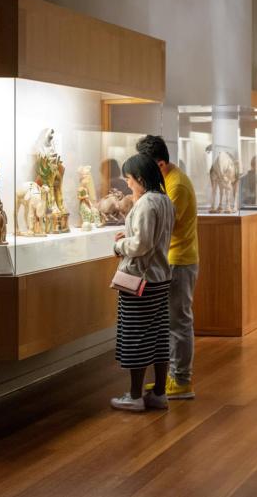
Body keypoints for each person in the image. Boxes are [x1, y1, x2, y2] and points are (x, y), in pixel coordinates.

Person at [111, 154, 175, 412]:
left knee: (135, 336)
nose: (127, 184)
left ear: (140, 177)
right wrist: (132, 234)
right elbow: (153, 237)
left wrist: (119, 246)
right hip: (160, 277)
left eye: (129, 178)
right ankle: (159, 392)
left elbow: (141, 244)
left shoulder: (146, 203)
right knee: (158, 336)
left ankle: (135, 395)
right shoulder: (164, 200)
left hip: (141, 280)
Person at [136, 135, 198, 399]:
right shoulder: (167, 182)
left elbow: (163, 225)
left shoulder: (178, 186)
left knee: (178, 321)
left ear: (160, 164)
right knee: (172, 321)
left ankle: (181, 380)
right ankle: (173, 377)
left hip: (179, 260)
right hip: (170, 259)